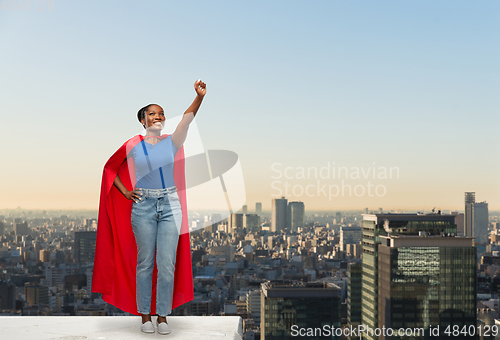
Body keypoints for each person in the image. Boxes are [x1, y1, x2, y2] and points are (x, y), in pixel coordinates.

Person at [92, 80, 206, 335]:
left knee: (167, 264)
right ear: (143, 121)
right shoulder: (132, 144)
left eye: (161, 113)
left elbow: (187, 121)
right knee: (144, 263)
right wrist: (124, 191)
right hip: (143, 205)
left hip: (170, 205)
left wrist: (198, 97)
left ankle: (162, 317)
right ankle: (145, 316)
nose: (158, 116)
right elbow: (110, 168)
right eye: (152, 113)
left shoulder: (172, 141)